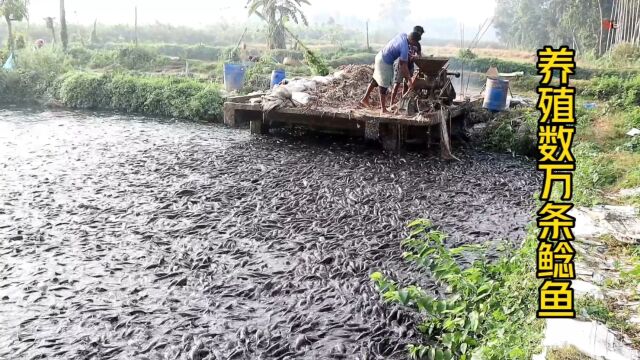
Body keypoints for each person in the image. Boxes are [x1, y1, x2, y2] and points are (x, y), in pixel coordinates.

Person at [359, 31, 422, 115]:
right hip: (385, 61)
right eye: (415, 42)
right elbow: (403, 66)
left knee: (376, 79)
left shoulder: (403, 35)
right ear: (413, 41)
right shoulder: (404, 48)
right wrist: (409, 81)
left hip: (380, 56)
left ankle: (365, 99)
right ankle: (383, 109)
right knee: (383, 84)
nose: (415, 44)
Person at [391, 26, 424, 105]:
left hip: (410, 66)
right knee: (397, 84)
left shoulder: (418, 45)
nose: (420, 35)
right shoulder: (405, 41)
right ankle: (391, 103)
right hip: (401, 65)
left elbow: (419, 56)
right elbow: (401, 54)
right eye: (419, 33)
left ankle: (402, 103)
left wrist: (415, 57)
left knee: (407, 85)